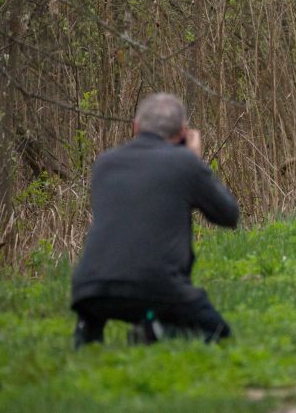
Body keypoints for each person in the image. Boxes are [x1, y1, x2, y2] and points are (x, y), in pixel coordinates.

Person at [71, 93, 239, 347]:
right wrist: (194, 160)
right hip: (158, 286)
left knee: (107, 305)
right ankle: (156, 327)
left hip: (90, 286)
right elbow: (229, 215)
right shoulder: (185, 162)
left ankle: (90, 328)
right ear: (183, 132)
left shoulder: (104, 164)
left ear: (135, 126)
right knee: (218, 333)